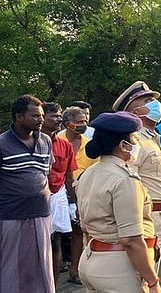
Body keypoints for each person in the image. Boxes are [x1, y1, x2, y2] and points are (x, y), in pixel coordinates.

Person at [75, 112, 161, 293]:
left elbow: (85, 227)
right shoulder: (124, 179)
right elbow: (131, 240)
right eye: (135, 139)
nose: (138, 144)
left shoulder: (89, 173)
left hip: (91, 259)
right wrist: (153, 281)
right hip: (118, 266)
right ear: (123, 145)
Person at [114, 81, 161, 287]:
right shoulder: (134, 141)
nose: (156, 104)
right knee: (146, 279)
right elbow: (130, 181)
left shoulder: (153, 136)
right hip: (150, 217)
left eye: (154, 100)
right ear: (134, 109)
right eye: (148, 101)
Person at [0, 95, 55, 293]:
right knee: (11, 268)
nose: (41, 119)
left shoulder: (46, 141)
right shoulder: (3, 144)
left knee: (41, 265)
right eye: (35, 116)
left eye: (41, 115)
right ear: (19, 117)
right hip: (11, 216)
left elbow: (45, 173)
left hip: (41, 214)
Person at [60, 105, 96, 284]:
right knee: (56, 236)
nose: (84, 124)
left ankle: (75, 271)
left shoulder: (88, 145)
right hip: (57, 194)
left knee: (78, 231)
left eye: (85, 121)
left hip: (82, 194)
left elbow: (95, 169)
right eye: (79, 122)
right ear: (68, 124)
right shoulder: (56, 141)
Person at [48, 106, 78, 284]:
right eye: (54, 116)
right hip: (35, 199)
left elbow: (69, 176)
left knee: (56, 243)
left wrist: (73, 203)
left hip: (57, 197)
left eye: (60, 116)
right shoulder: (33, 142)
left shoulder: (65, 145)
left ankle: (52, 286)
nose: (58, 120)